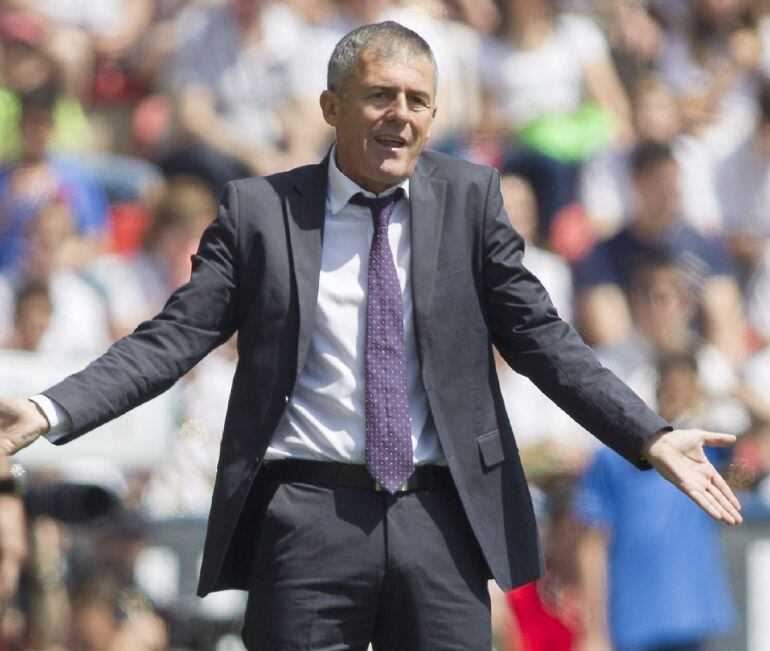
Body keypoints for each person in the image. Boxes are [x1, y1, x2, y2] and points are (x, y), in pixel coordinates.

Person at [0, 21, 742, 650]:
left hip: (442, 517)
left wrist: (648, 435)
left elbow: (543, 339)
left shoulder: (471, 200)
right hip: (307, 516)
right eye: (380, 95)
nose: (401, 115)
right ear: (331, 105)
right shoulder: (261, 212)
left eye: (419, 100)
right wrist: (47, 408)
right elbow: (171, 337)